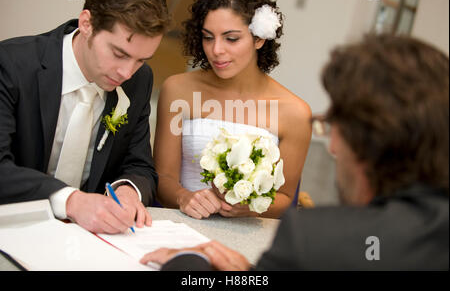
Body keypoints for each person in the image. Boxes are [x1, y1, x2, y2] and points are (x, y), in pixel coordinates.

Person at [141, 34, 449, 270]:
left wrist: (187, 263)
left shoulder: (316, 242)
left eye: (333, 126)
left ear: (368, 142)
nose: (331, 146)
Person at [0, 0, 170, 234]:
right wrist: (71, 201)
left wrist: (128, 191)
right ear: (87, 23)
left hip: (90, 240)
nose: (127, 73)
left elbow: (139, 164)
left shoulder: (139, 80)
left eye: (141, 60)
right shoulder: (11, 65)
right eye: (119, 53)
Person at [153, 0, 312, 219]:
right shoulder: (178, 90)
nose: (216, 50)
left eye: (231, 38)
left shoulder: (295, 113)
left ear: (259, 38)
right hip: (182, 225)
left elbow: (286, 198)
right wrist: (184, 197)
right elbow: (163, 178)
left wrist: (249, 206)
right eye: (208, 37)